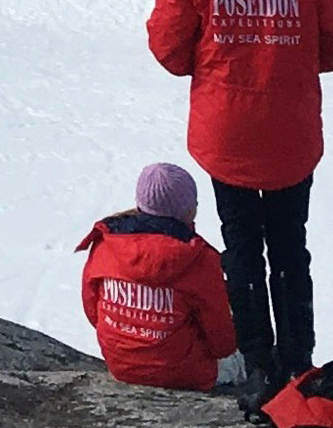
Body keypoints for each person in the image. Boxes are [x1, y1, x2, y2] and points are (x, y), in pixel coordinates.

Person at [145, 0, 333, 391]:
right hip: (291, 131)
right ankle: (299, 360)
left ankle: (257, 361)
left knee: (240, 245)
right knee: (290, 245)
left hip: (226, 131)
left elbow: (169, 52)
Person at [75, 161, 239, 392]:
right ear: (189, 210)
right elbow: (223, 345)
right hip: (187, 376)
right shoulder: (199, 260)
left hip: (122, 367)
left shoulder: (106, 243)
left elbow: (93, 312)